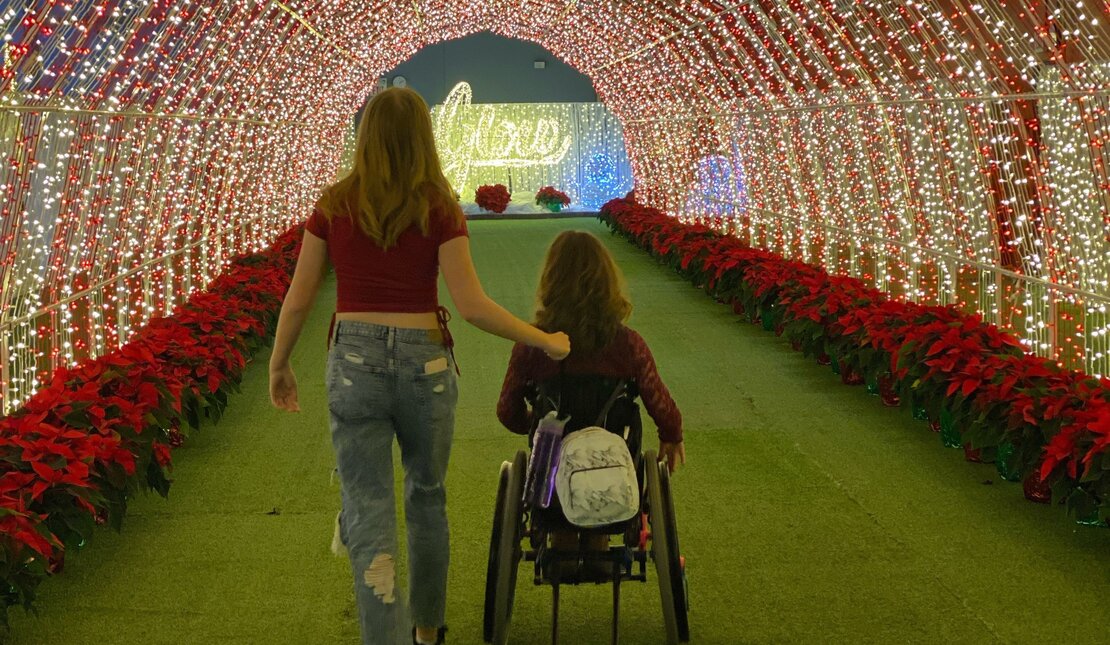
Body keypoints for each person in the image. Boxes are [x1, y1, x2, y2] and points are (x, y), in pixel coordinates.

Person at [268, 87, 570, 645]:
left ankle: (381, 633)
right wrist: (544, 338)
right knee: (426, 495)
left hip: (353, 362)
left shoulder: (332, 205)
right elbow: (472, 305)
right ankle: (427, 632)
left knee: (368, 502)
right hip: (424, 362)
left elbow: (301, 293)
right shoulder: (440, 207)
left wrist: (279, 364)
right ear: (423, 140)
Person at [497, 230, 685, 472]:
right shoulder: (629, 344)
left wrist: (539, 421)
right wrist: (672, 435)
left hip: (552, 471)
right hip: (616, 467)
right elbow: (660, 404)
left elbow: (507, 411)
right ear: (606, 282)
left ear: (551, 281)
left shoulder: (533, 345)